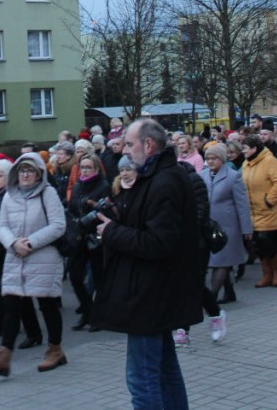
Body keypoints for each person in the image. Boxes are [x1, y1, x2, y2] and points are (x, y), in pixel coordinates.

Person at [92, 119, 201, 410]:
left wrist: (111, 232)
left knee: (142, 379)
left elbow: (158, 243)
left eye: (129, 144)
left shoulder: (164, 181)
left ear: (148, 145)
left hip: (150, 293)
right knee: (165, 371)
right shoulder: (158, 176)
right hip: (155, 291)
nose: (125, 151)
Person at [0, 151, 67, 377]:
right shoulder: (10, 195)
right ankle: (4, 355)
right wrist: (12, 243)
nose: (26, 175)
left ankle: (55, 349)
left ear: (39, 174)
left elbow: (59, 225)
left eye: (30, 170)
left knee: (47, 303)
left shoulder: (47, 194)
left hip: (43, 255)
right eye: (22, 170)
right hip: (15, 255)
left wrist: (30, 242)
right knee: (10, 303)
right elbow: (1, 226)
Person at [203, 144, 252, 308]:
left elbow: (242, 204)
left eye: (214, 158)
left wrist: (247, 229)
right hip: (210, 228)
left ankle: (211, 297)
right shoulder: (202, 175)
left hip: (229, 227)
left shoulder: (233, 176)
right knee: (220, 261)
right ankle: (230, 292)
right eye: (208, 158)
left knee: (221, 262)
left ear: (221, 159)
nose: (210, 161)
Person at [66, 153, 110, 331]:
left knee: (99, 279)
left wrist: (85, 219)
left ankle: (98, 315)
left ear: (96, 168)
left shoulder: (103, 186)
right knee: (75, 276)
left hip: (95, 238)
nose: (84, 170)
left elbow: (103, 211)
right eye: (82, 167)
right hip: (79, 237)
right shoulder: (77, 186)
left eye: (88, 167)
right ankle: (87, 310)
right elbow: (71, 209)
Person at [241, 134, 277, 288]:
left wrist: (269, 200)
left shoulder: (269, 161)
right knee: (258, 245)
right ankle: (267, 274)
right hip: (252, 211)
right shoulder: (246, 164)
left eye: (245, 148)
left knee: (266, 241)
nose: (243, 151)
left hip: (268, 209)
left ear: (254, 148)